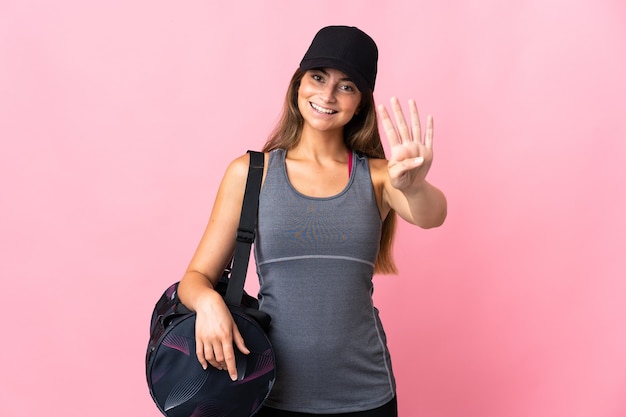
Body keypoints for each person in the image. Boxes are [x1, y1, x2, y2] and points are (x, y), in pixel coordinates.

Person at [177, 25, 447, 416]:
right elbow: (195, 278)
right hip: (269, 393)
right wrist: (209, 305)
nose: (327, 94)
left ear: (360, 104)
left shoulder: (380, 176)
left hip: (366, 396)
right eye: (318, 77)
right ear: (298, 84)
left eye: (347, 86)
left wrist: (416, 185)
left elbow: (432, 216)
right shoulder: (251, 173)